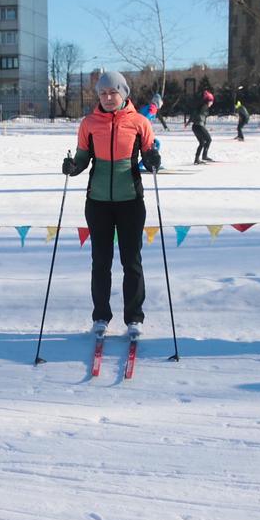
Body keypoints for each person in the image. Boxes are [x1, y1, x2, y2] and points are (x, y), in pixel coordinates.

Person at [61, 70, 160, 338]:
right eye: (102, 93)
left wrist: (152, 160)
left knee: (132, 261)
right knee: (100, 262)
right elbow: (82, 159)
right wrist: (72, 167)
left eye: (112, 92)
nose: (107, 97)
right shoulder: (89, 124)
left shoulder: (140, 123)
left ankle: (134, 319)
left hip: (131, 200)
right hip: (98, 202)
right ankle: (101, 317)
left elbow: (151, 153)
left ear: (123, 93)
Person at [186, 89, 214, 164]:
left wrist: (189, 121)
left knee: (202, 142)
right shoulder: (204, 106)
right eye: (211, 101)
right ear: (208, 101)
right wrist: (189, 121)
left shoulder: (203, 106)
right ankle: (204, 156)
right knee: (208, 140)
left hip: (196, 126)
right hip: (198, 126)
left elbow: (195, 112)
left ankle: (197, 159)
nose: (212, 103)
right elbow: (195, 112)